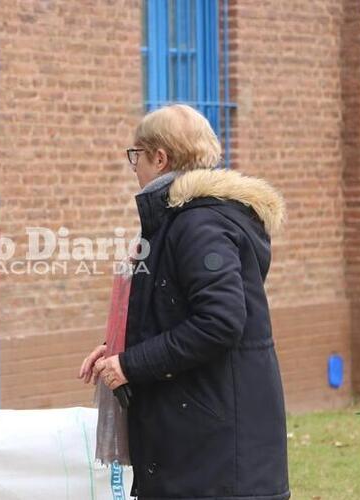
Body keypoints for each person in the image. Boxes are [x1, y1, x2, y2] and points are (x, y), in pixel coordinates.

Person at [79, 104, 290, 499]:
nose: (133, 167)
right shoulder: (183, 221)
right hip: (199, 446)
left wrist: (131, 364)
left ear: (160, 158)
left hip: (215, 459)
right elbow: (174, 309)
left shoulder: (199, 224)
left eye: (135, 155)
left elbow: (221, 321)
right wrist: (119, 348)